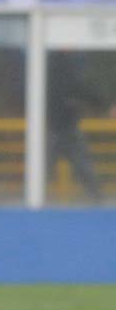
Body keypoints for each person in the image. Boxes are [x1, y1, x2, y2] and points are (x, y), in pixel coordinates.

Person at [47, 51, 108, 203]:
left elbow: (80, 89)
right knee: (82, 165)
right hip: (62, 127)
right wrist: (103, 105)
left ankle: (97, 198)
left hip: (59, 127)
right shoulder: (64, 68)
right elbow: (80, 89)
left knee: (79, 165)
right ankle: (98, 198)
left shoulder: (52, 67)